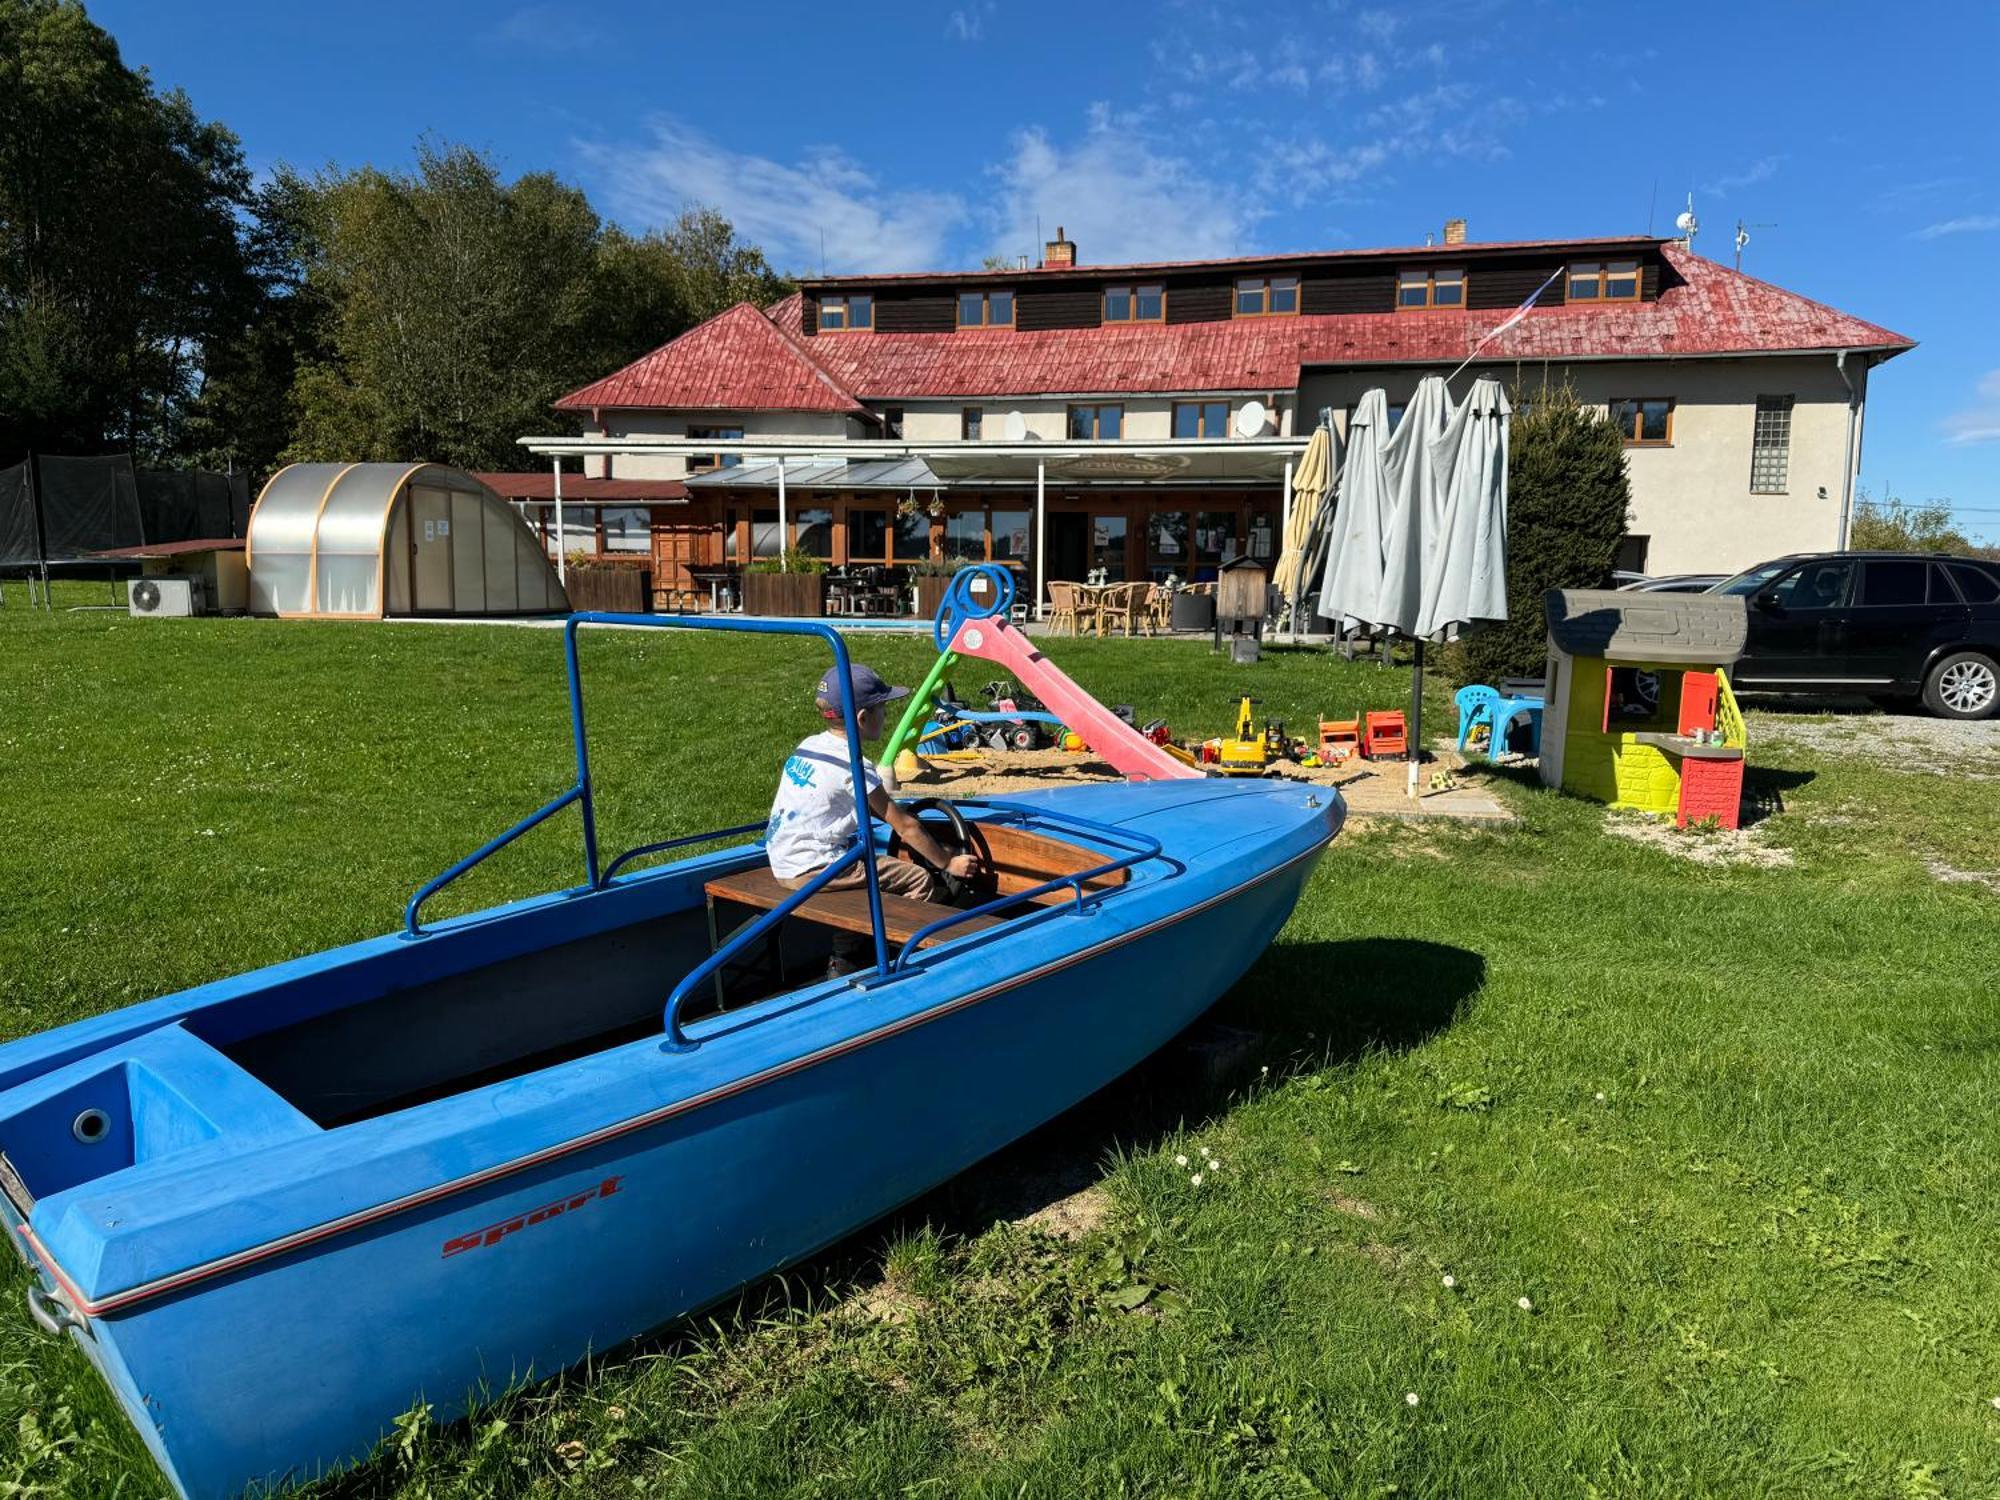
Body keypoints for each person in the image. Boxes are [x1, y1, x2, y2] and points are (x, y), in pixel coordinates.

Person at [767, 663, 980, 975]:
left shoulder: (809, 746)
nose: (887, 716)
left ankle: (847, 958)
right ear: (862, 719)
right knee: (918, 879)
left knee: (867, 877)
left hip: (784, 860)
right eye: (882, 709)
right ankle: (905, 961)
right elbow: (906, 826)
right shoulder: (853, 765)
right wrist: (948, 863)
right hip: (815, 867)